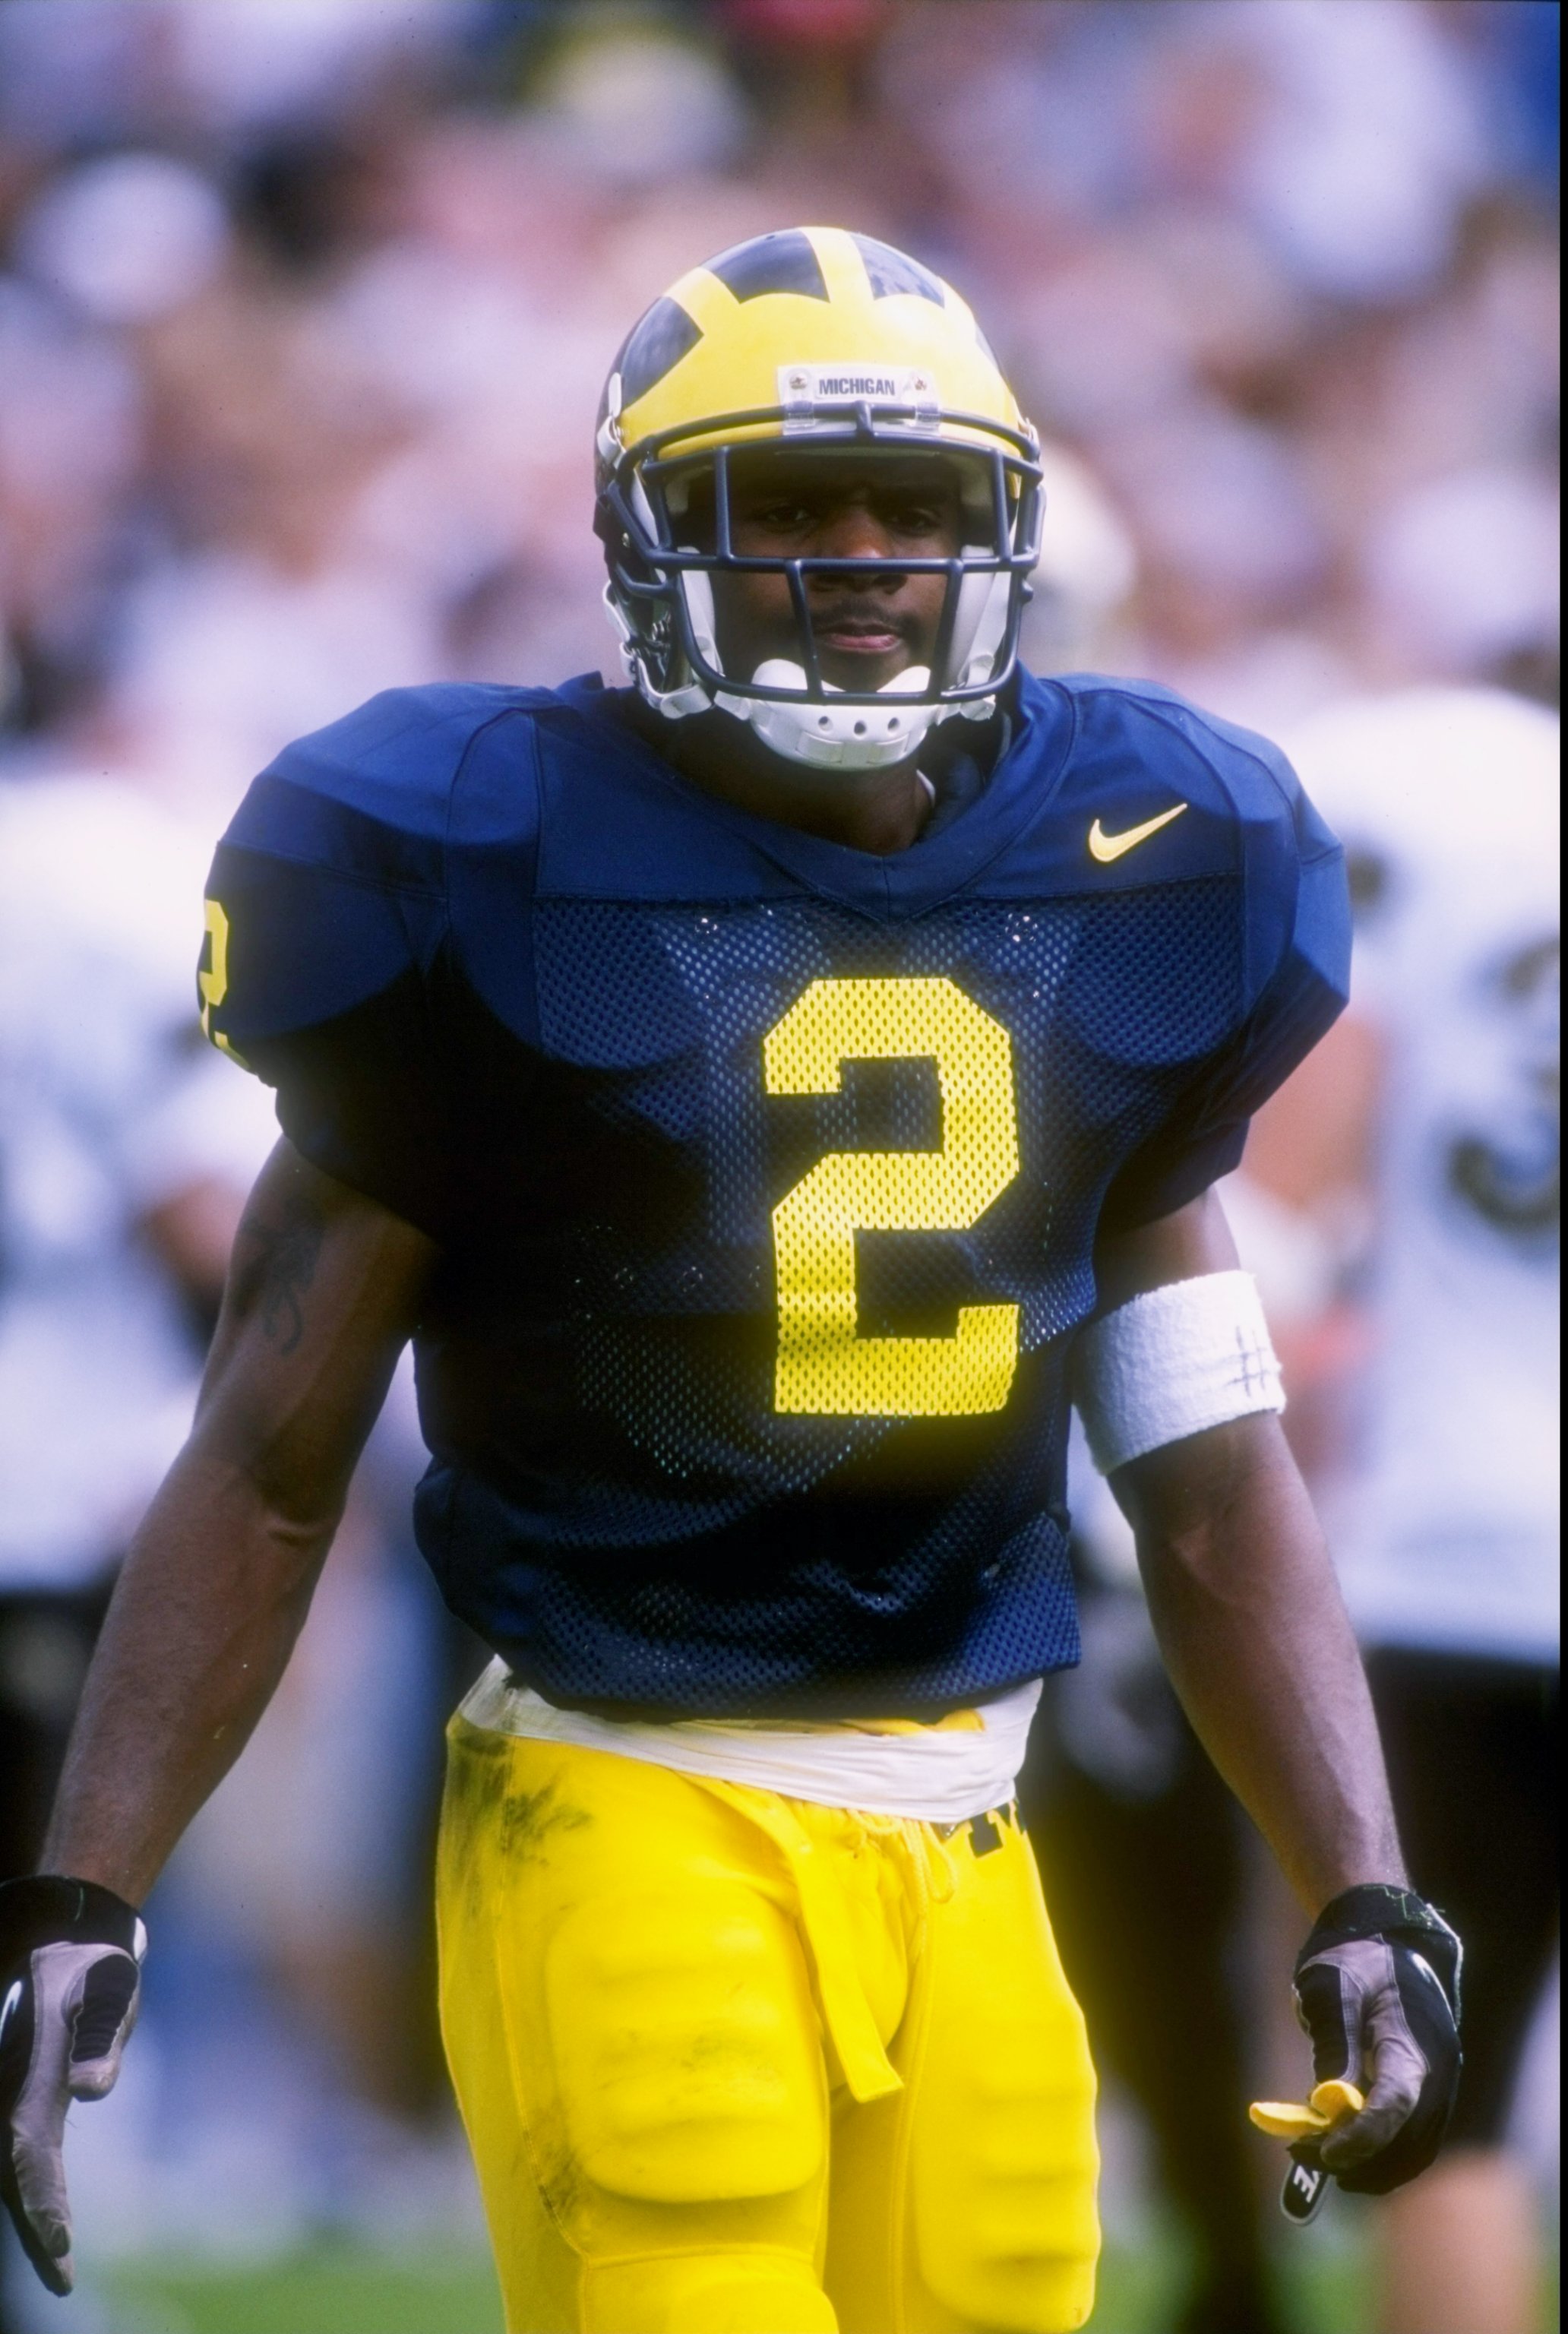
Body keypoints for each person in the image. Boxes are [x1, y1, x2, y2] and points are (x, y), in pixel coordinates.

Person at [0, 229, 1460, 2334]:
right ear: (644, 534)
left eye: (917, 508)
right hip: (624, 1785)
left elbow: (1211, 1458)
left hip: (968, 1817)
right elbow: (269, 1450)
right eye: (783, 504)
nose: (859, 555)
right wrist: (89, 1885)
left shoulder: (1162, 856)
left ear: (1009, 533)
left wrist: (1362, 1879)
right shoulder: (467, 855)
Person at [1250, 686, 1559, 2334]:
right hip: (1455, 1557)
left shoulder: (1464, 851)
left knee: (1459, 2102)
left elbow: (1290, 1225)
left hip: (1462, 1553)